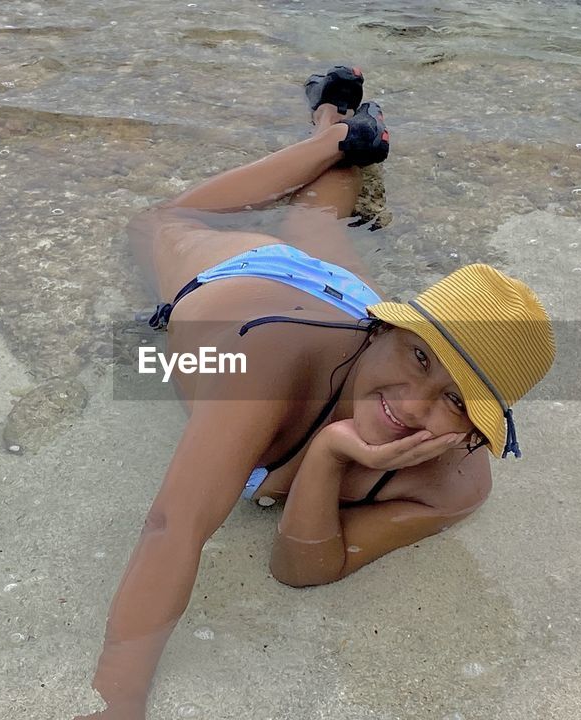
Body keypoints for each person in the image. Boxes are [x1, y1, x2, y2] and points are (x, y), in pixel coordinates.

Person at [80, 66, 556, 719]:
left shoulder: (454, 486)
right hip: (252, 292)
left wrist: (331, 455)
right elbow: (174, 526)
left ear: (477, 434)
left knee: (314, 219)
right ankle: (335, 138)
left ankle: (345, 128)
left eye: (456, 400)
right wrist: (119, 701)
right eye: (422, 357)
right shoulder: (261, 371)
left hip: (346, 320)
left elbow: (301, 569)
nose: (415, 405)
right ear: (388, 326)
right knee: (161, 219)